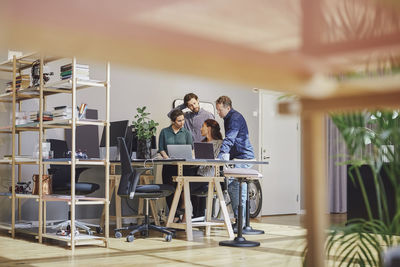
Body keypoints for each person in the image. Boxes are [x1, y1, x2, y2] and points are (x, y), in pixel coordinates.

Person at [215, 96, 255, 228]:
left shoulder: (235, 118)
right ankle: (239, 221)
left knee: (235, 186)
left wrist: (222, 155)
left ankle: (241, 222)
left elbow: (230, 138)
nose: (218, 113)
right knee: (233, 186)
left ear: (228, 107)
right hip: (237, 157)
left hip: (244, 157)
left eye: (220, 110)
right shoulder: (228, 118)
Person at [158, 109, 193, 211]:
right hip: (169, 165)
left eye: (183, 120)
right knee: (169, 190)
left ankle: (181, 213)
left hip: (183, 166)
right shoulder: (164, 132)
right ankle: (174, 214)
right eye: (179, 121)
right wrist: (167, 158)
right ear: (173, 121)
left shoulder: (186, 133)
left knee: (182, 190)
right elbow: (161, 148)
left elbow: (190, 149)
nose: (182, 122)